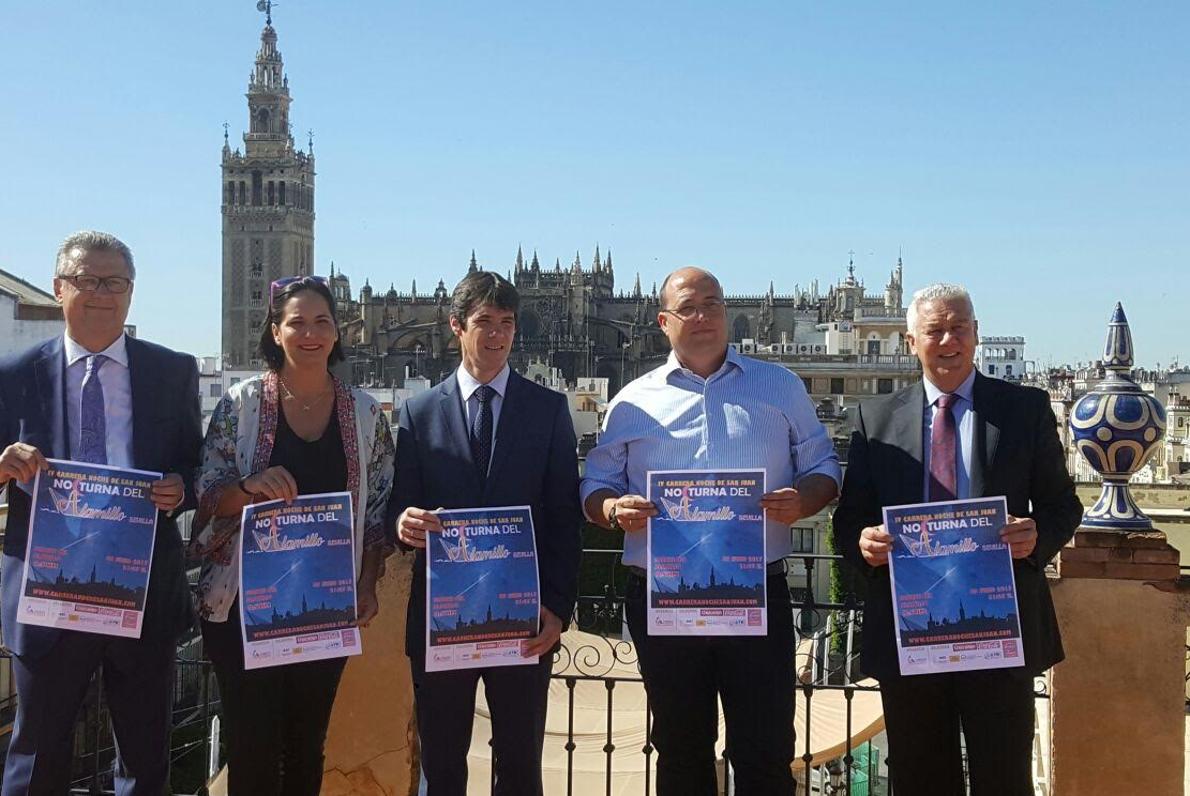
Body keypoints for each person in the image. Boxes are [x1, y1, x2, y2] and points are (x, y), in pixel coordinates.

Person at [581, 266, 841, 796]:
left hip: (756, 595)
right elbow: (593, 485)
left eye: (713, 304)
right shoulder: (631, 400)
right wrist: (613, 511)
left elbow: (826, 468)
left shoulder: (781, 386)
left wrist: (804, 499)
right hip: (663, 599)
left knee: (766, 751)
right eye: (689, 307)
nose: (703, 316)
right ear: (662, 321)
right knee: (680, 749)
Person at [832, 283, 1082, 796]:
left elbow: (1063, 505)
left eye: (959, 328)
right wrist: (864, 543)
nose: (949, 341)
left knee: (1004, 777)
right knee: (921, 777)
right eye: (935, 330)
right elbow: (849, 518)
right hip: (913, 632)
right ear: (910, 341)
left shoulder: (1024, 408)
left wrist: (1038, 537)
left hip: (999, 629)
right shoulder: (873, 419)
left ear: (976, 334)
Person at [0, 230, 201, 794]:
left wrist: (178, 487)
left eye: (113, 282)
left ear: (131, 293)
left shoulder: (173, 370)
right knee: (36, 760)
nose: (100, 293)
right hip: (46, 598)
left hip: (141, 596)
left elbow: (195, 461)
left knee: (144, 762)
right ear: (59, 287)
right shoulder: (12, 375)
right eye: (86, 281)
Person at [189, 275, 395, 796]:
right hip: (242, 608)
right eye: (297, 322)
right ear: (275, 331)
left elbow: (376, 513)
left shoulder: (366, 413)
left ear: (337, 331)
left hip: (324, 609)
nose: (311, 333)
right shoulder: (240, 404)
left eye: (322, 322)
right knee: (252, 748)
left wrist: (368, 583)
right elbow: (206, 497)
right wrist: (248, 486)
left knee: (306, 747)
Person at [389, 271, 581, 796]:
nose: (497, 334)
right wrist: (403, 523)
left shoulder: (549, 409)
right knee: (443, 765)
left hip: (523, 620)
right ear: (456, 326)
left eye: (507, 323)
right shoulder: (417, 412)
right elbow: (396, 509)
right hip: (442, 621)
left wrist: (558, 607)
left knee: (520, 767)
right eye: (484, 322)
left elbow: (565, 515)